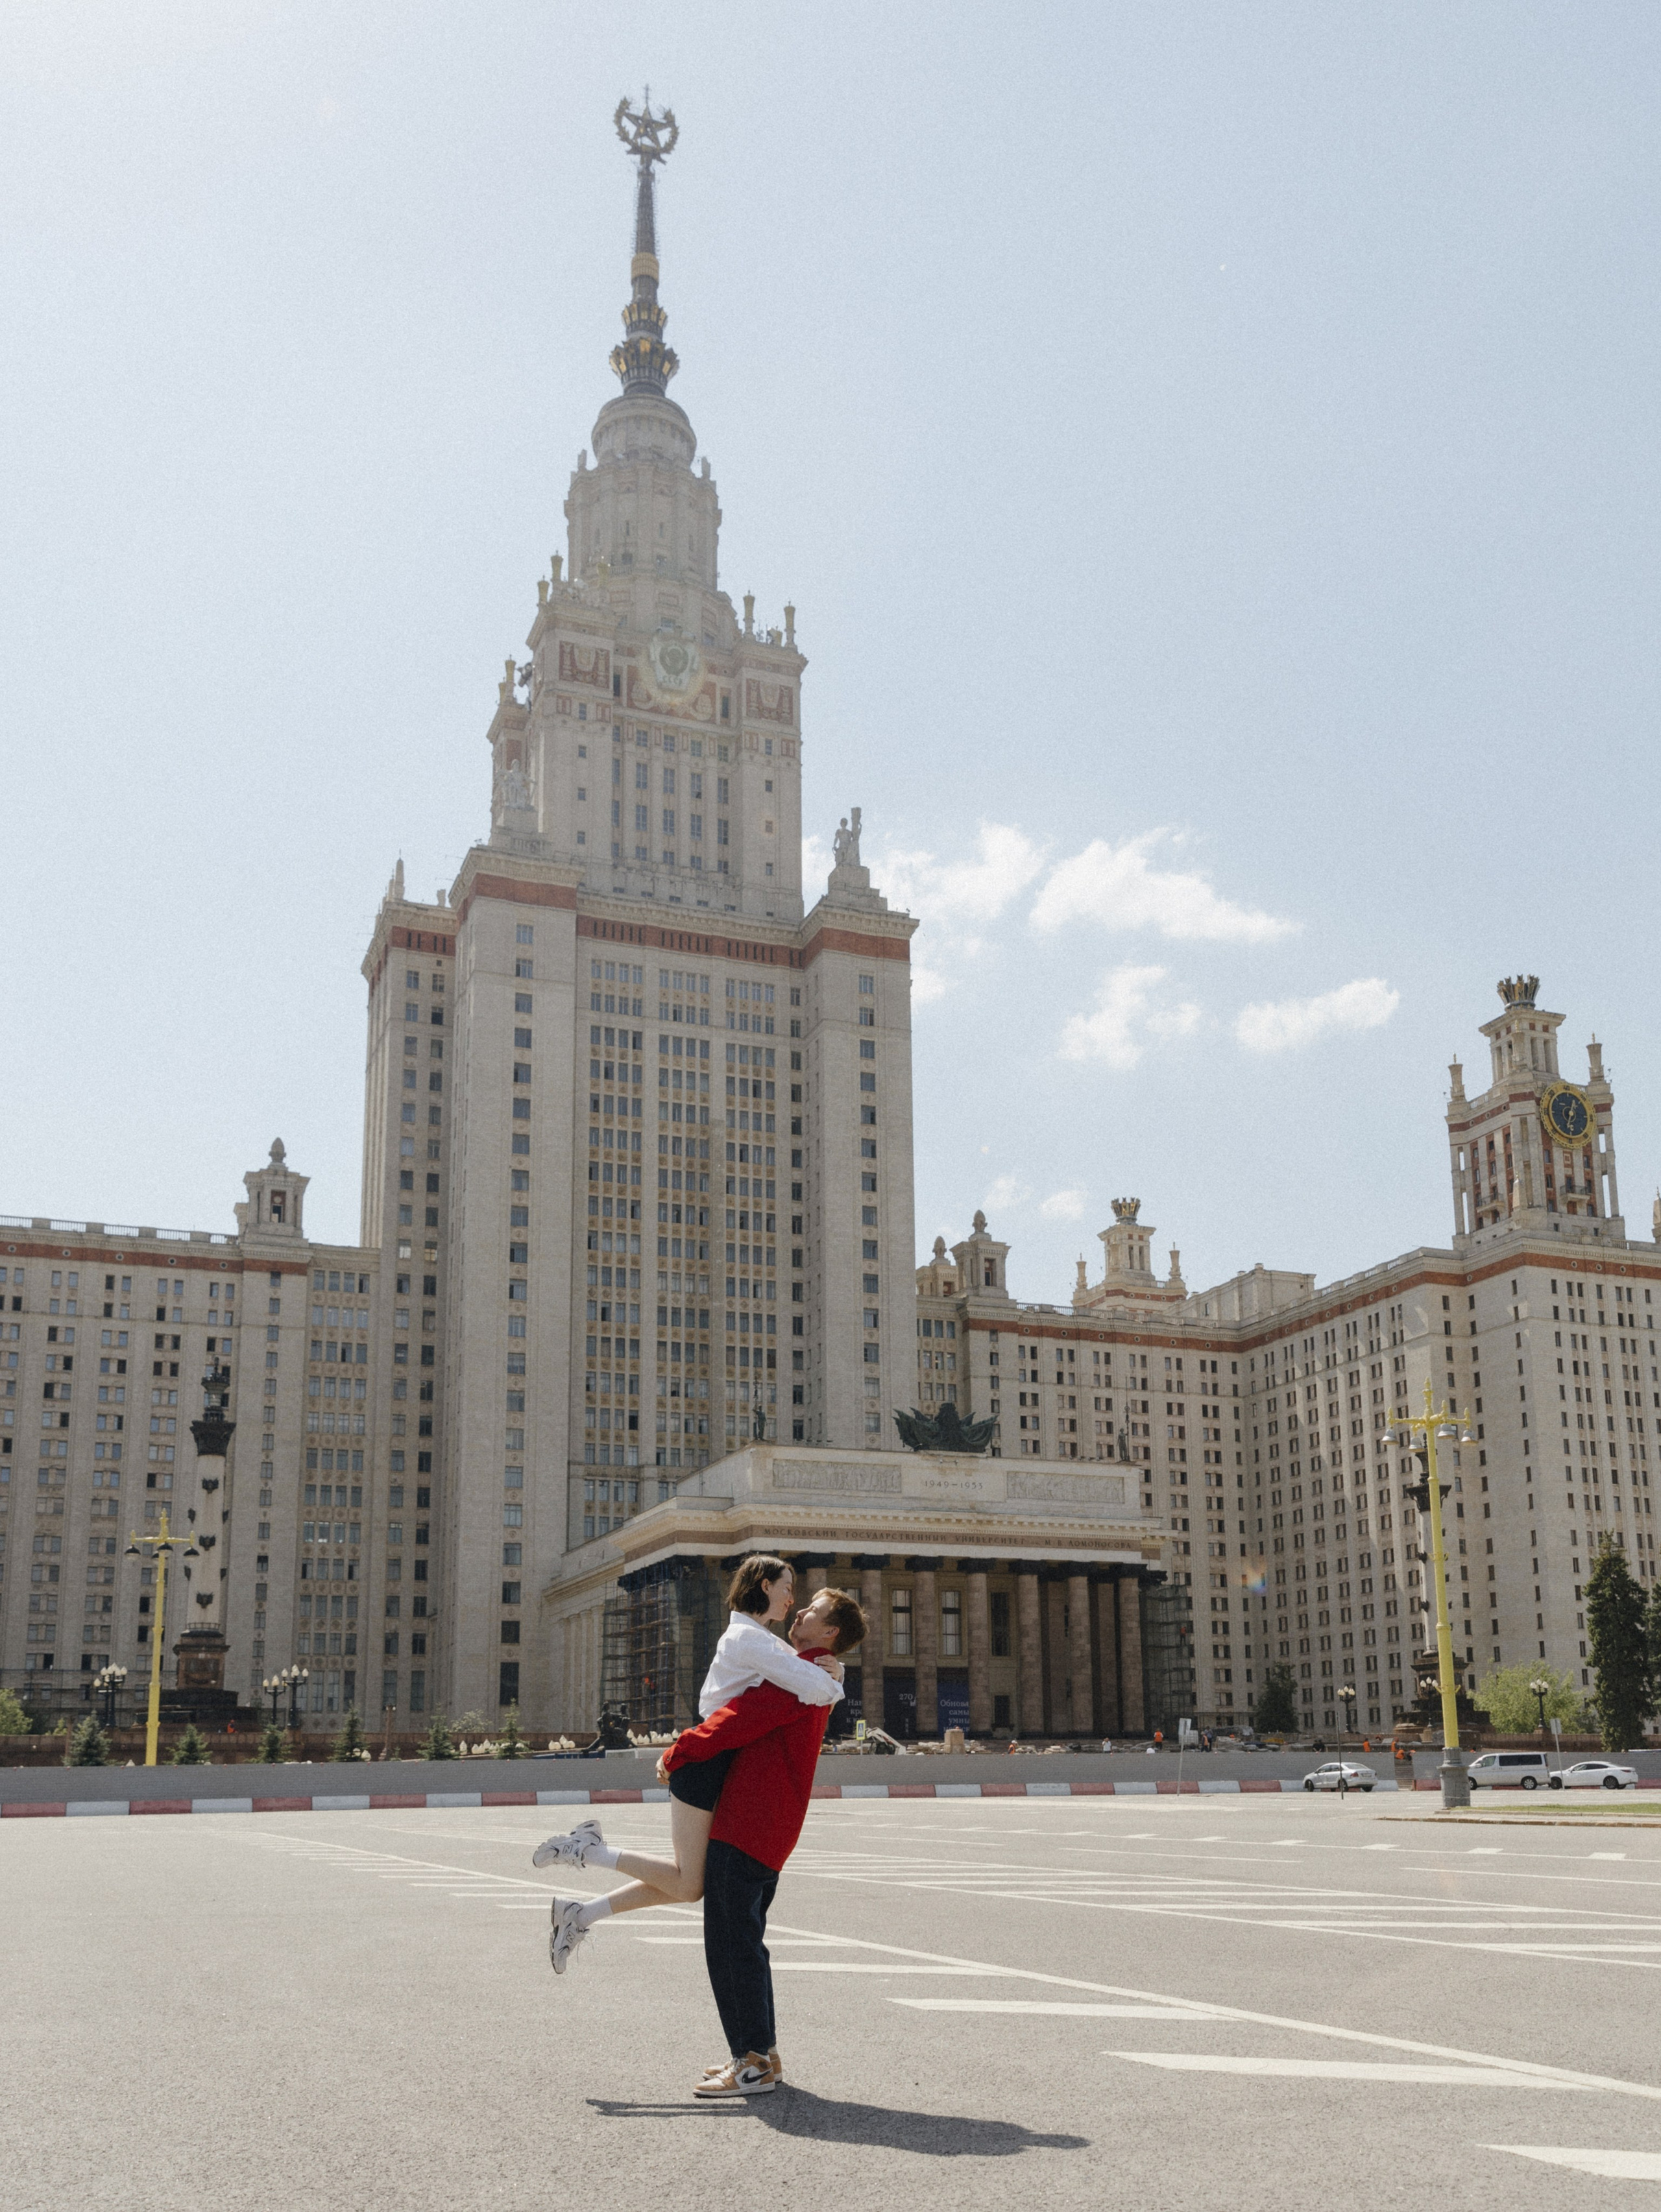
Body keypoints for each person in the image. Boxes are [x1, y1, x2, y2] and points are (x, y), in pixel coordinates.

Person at [533, 1556, 842, 1947]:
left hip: (718, 1763)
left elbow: (805, 1676)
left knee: (690, 1884)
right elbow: (812, 1687)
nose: (791, 1600)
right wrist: (835, 1681)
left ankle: (580, 1912)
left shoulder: (765, 1640)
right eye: (786, 1588)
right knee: (687, 1882)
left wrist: (835, 1673)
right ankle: (589, 1850)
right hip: (703, 1761)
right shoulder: (746, 1638)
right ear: (764, 1586)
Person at [663, 1585, 867, 2097]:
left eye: (814, 1611)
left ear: (830, 1632)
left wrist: (679, 1750)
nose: (801, 1611)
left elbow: (740, 1718)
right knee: (745, 1943)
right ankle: (761, 2056)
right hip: (764, 1823)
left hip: (752, 1822)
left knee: (731, 1946)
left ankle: (752, 2062)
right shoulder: (812, 1672)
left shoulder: (800, 1677)